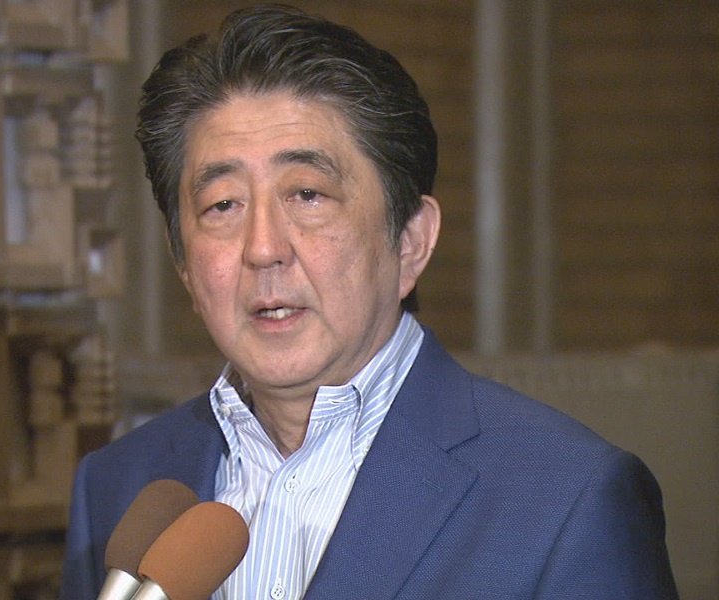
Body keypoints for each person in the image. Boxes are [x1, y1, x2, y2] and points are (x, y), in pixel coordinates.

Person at [60, 5, 679, 599]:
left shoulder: (566, 499)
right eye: (222, 205)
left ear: (410, 242)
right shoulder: (119, 486)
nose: (263, 248)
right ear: (184, 266)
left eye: (307, 194)